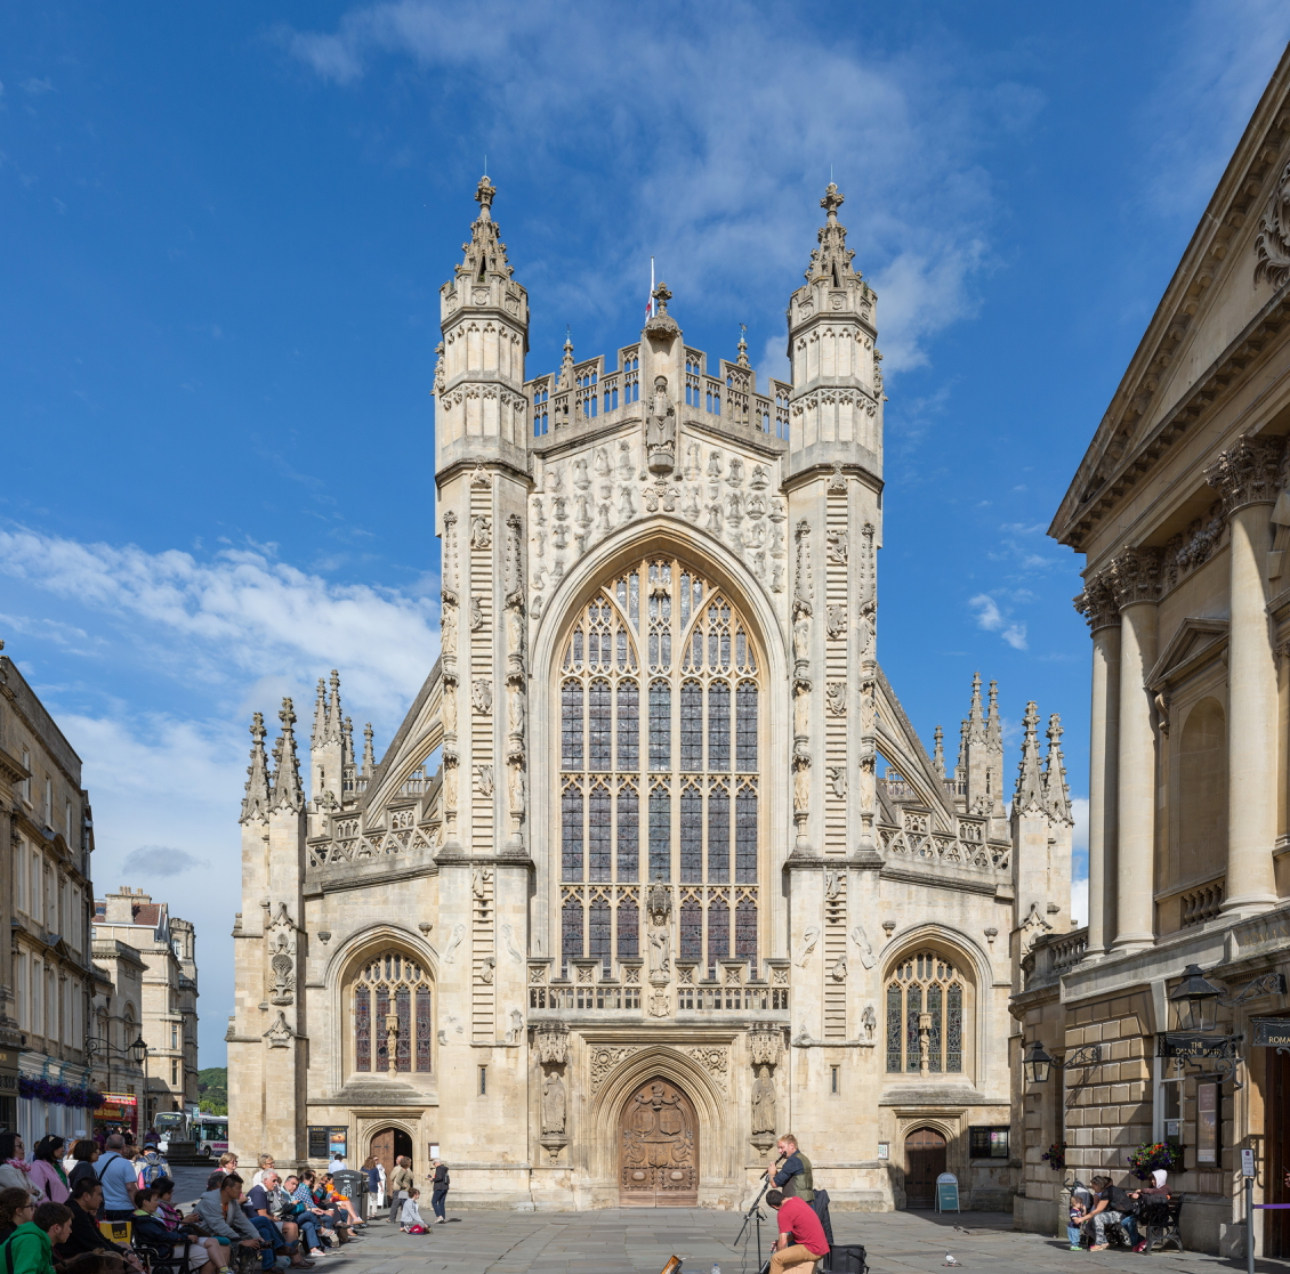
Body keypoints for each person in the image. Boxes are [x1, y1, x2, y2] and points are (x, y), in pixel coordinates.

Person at [130, 1187, 220, 1274]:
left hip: (166, 1246)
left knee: (211, 1252)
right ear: (145, 1202)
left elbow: (164, 1234)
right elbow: (162, 1236)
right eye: (155, 1200)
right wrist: (185, 1236)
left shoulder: (147, 1216)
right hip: (164, 1250)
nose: (157, 1203)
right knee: (209, 1255)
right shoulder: (144, 1220)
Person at [59, 1180, 142, 1273]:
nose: (101, 1199)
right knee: (125, 1266)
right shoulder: (76, 1213)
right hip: (75, 1260)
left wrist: (125, 1252)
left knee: (123, 1245)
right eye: (98, 1194)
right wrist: (125, 1264)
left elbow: (101, 1240)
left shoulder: (82, 1211)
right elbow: (95, 1244)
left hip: (86, 1255)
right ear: (86, 1196)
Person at [242, 1172, 311, 1270]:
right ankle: (285, 1250)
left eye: (277, 1180)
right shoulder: (258, 1192)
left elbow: (268, 1214)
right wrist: (275, 1219)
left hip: (260, 1224)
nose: (276, 1183)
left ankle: (271, 1265)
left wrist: (275, 1218)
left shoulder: (265, 1191)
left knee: (268, 1230)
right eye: (273, 1181)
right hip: (255, 1224)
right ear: (265, 1181)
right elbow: (263, 1215)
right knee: (291, 1226)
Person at [194, 1174, 263, 1267]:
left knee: (251, 1241)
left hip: (219, 1233)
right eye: (238, 1188)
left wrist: (257, 1236)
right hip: (203, 1234)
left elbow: (243, 1221)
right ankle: (228, 1270)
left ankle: (245, 1271)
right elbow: (219, 1226)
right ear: (227, 1189)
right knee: (233, 1245)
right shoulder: (211, 1201)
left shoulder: (232, 1201)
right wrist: (241, 1241)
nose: (240, 1191)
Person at [765, 1189, 829, 1274]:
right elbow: (800, 1230)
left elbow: (783, 1243)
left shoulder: (783, 1212)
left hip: (813, 1249)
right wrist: (781, 1242)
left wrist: (780, 1250)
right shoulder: (796, 1199)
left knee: (776, 1259)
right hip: (821, 1245)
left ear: (774, 1206)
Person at [2, 1201, 73, 1274]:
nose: (71, 1231)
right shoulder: (31, 1240)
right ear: (57, 1228)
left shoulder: (42, 1242)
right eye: (69, 1226)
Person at [1086, 1175, 1140, 1251]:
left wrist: (1084, 1218)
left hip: (1122, 1214)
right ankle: (1104, 1242)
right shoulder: (1107, 1191)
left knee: (1098, 1218)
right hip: (1113, 1213)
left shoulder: (1109, 1191)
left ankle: (1099, 1244)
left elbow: (1099, 1209)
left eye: (1093, 1186)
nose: (1092, 1188)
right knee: (1088, 1226)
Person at [278, 1177, 326, 1257]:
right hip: (286, 1219)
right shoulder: (281, 1193)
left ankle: (313, 1249)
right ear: (286, 1182)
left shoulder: (291, 1193)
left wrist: (309, 1208)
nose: (295, 1187)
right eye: (293, 1184)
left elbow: (298, 1206)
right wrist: (293, 1204)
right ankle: (320, 1229)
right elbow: (283, 1208)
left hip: (293, 1216)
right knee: (308, 1214)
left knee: (309, 1225)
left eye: (296, 1185)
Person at [93, 1137, 139, 1222]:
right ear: (124, 1147)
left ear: (106, 1146)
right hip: (124, 1208)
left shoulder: (95, 1161)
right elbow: (130, 1188)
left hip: (101, 1207)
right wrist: (137, 1206)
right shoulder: (126, 1164)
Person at [770, 1135, 814, 1202]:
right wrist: (776, 1173)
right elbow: (786, 1181)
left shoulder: (793, 1161)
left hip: (796, 1204)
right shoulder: (803, 1158)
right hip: (806, 1202)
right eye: (778, 1148)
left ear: (791, 1146)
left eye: (782, 1147)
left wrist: (771, 1174)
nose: (779, 1151)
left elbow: (774, 1184)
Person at [0, 1136, 43, 1204]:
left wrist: (34, 1192)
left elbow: (41, 1193)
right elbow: (22, 1195)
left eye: (23, 1145)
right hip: (14, 1213)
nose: (23, 1148)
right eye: (20, 1145)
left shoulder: (20, 1167)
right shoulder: (5, 1169)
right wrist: (32, 1193)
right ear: (8, 1147)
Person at [29, 1139, 68, 1206]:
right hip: (52, 1212)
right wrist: (50, 1211)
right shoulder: (38, 1166)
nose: (63, 1150)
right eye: (60, 1147)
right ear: (50, 1148)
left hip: (64, 1210)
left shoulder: (59, 1166)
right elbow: (39, 1193)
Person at [1066, 1184, 1092, 1251]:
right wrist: (1078, 1220)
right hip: (1072, 1226)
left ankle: (1075, 1245)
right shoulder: (1073, 1210)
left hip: (1076, 1226)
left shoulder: (1079, 1210)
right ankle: (1073, 1245)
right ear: (1075, 1203)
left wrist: (1084, 1210)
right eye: (1080, 1203)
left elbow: (1083, 1214)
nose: (1081, 1204)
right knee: (1074, 1236)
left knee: (1077, 1235)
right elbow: (1074, 1218)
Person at [386, 1158, 412, 1226]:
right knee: (402, 1204)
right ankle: (403, 1219)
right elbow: (412, 1177)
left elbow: (391, 1178)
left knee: (396, 1204)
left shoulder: (398, 1169)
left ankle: (392, 1219)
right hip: (403, 1189)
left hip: (399, 1188)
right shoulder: (406, 1169)